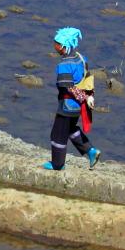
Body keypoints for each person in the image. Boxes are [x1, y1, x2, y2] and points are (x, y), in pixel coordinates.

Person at [45, 26, 100, 171]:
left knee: (57, 135)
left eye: (56, 43)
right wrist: (89, 97)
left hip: (67, 106)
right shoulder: (82, 59)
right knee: (71, 129)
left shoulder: (64, 65)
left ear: (63, 46)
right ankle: (90, 151)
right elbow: (88, 79)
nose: (54, 45)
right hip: (78, 108)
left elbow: (69, 87)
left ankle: (58, 164)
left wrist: (83, 98)